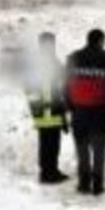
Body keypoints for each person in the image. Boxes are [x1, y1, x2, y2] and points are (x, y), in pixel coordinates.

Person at [66, 29, 105, 195]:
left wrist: (72, 107)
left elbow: (66, 85)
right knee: (99, 150)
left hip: (79, 111)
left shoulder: (73, 58)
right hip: (100, 112)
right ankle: (98, 184)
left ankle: (84, 182)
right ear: (101, 41)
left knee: (82, 149)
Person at [25, 32, 69, 184]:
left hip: (49, 111)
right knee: (49, 143)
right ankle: (48, 172)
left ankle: (50, 170)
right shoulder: (49, 63)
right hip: (48, 111)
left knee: (50, 143)